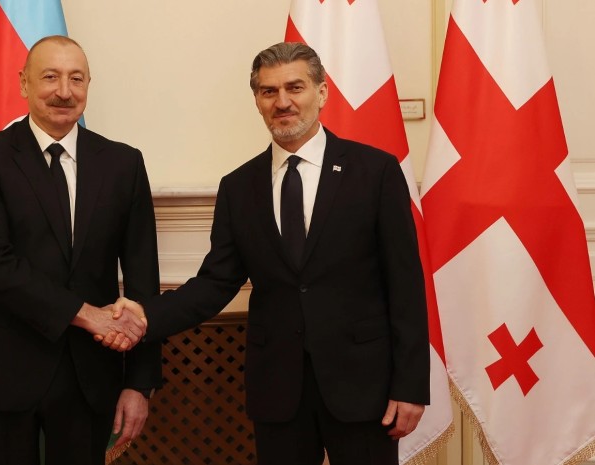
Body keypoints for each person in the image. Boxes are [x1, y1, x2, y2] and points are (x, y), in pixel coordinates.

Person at [106, 42, 429, 465]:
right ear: (257, 100)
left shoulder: (376, 171)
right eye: (268, 91)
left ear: (322, 92)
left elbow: (405, 284)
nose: (282, 102)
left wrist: (410, 386)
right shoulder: (239, 187)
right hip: (278, 389)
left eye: (295, 87)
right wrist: (147, 315)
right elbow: (216, 282)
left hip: (363, 386)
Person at [0, 35, 159, 465]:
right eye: (50, 77)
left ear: (88, 85)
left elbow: (143, 279)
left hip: (91, 376)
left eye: (76, 79)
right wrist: (86, 313)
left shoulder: (124, 163)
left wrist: (139, 383)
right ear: (23, 83)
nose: (64, 91)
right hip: (4, 367)